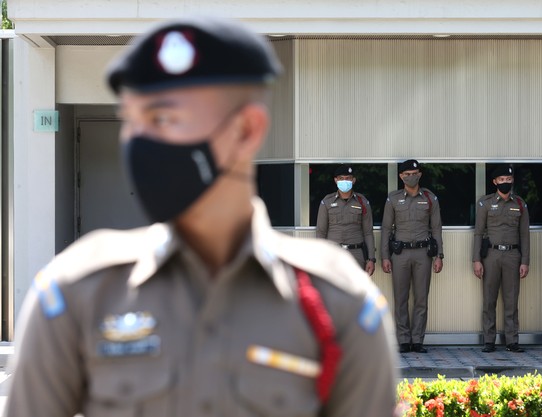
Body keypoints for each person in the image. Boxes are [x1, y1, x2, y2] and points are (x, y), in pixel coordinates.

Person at [3, 17, 399, 417]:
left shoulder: (338, 303)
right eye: (133, 121)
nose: (141, 143)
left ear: (246, 130)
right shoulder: (75, 293)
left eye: (164, 118)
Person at [380, 159, 444, 354]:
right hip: (400, 254)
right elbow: (385, 228)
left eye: (414, 173)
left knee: (421, 298)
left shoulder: (430, 198)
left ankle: (417, 340)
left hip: (423, 253)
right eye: (406, 174)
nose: (411, 176)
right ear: (401, 176)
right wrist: (385, 256)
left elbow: (436, 228)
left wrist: (439, 255)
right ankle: (403, 340)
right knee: (400, 298)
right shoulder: (393, 199)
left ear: (420, 174)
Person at [472, 164, 530, 353]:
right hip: (491, 256)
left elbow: (525, 235)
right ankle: (489, 340)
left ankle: (512, 340)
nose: (506, 182)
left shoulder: (519, 204)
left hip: (513, 256)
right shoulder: (486, 203)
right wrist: (476, 260)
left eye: (509, 179)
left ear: (512, 180)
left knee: (511, 300)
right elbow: (478, 234)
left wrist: (525, 261)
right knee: (489, 299)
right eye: (502, 180)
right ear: (495, 182)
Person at [316, 165, 376, 275]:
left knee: (356, 290)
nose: (345, 181)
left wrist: (371, 259)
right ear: (335, 180)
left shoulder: (362, 202)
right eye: (341, 178)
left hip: (356, 254)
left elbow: (368, 232)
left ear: (353, 180)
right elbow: (321, 232)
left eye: (348, 178)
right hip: (333, 254)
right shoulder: (327, 202)